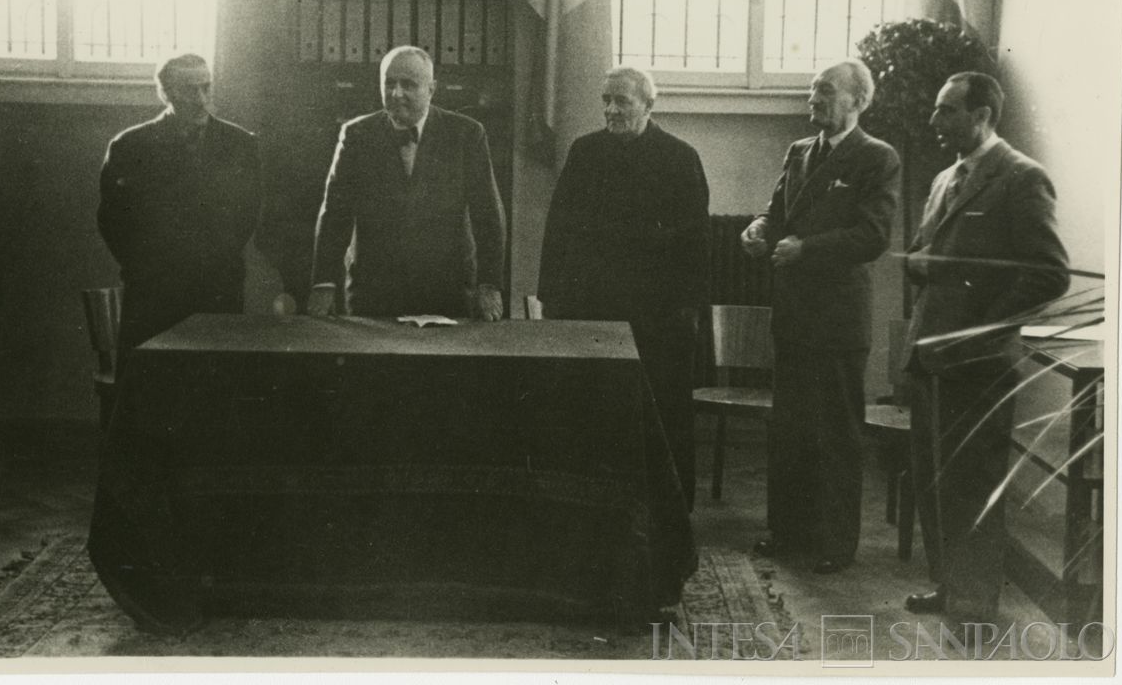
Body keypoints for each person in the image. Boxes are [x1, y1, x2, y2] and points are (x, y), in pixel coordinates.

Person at [901, 72, 1069, 620]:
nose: (934, 120)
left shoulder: (1021, 177)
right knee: (936, 483)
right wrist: (919, 264)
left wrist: (980, 329)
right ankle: (949, 587)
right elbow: (927, 253)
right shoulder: (945, 178)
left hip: (978, 365)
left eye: (947, 110)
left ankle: (974, 607)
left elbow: (1048, 273)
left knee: (972, 488)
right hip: (931, 357)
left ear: (982, 116)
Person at [741, 58, 900, 574]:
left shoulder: (877, 158)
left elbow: (872, 236)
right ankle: (787, 532)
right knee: (789, 429)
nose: (813, 100)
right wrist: (758, 229)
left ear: (859, 100)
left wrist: (806, 249)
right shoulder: (799, 151)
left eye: (825, 92)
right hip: (793, 315)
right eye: (812, 91)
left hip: (837, 321)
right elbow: (777, 211)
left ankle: (835, 543)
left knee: (836, 434)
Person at [538, 66, 709, 510]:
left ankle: (669, 514)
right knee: (589, 411)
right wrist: (550, 297)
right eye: (606, 101)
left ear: (649, 105)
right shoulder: (585, 152)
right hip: (592, 310)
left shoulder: (680, 158)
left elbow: (694, 247)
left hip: (656, 318)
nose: (611, 110)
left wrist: (684, 314)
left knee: (662, 415)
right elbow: (558, 229)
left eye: (622, 101)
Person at [308, 45, 506, 321]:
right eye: (389, 84)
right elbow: (335, 214)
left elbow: (488, 215)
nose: (396, 93)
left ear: (432, 89)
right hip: (373, 294)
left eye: (408, 85)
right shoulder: (356, 135)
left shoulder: (467, 135)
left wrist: (489, 285)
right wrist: (324, 283)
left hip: (448, 292)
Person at [98, 53, 261, 363]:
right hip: (153, 290)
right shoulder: (130, 146)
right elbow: (113, 221)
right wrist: (147, 267)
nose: (201, 99)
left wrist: (212, 260)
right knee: (152, 380)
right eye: (189, 90)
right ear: (165, 93)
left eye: (206, 87)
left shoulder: (240, 145)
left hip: (217, 288)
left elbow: (246, 215)